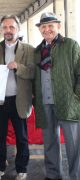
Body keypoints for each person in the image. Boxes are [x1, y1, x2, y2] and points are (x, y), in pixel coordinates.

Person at [34, 12, 80, 180]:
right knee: (50, 143)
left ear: (58, 26)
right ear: (40, 29)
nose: (47, 29)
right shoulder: (38, 51)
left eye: (50, 26)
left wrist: (76, 98)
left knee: (74, 145)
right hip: (45, 103)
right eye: (43, 26)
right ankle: (53, 175)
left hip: (68, 103)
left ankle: (76, 176)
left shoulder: (71, 45)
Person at [0, 15, 35, 180]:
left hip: (19, 99)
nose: (8, 30)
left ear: (18, 29)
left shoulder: (29, 49)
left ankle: (22, 169)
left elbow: (33, 72)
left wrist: (19, 67)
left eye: (11, 27)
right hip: (0, 100)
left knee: (21, 138)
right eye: (5, 27)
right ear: (1, 29)